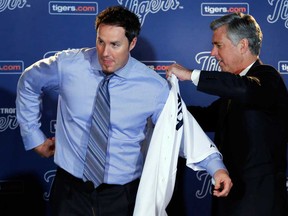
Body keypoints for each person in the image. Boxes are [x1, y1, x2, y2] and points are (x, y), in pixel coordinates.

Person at [16, 5, 232, 216]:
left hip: (121, 198)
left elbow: (180, 129)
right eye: (100, 42)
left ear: (132, 43)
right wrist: (35, 137)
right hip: (69, 192)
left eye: (115, 44)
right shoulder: (68, 65)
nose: (105, 52)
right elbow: (29, 81)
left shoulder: (153, 87)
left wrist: (215, 167)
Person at [166, 12, 288, 216]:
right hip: (230, 200)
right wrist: (165, 110)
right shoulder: (235, 89)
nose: (212, 53)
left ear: (242, 45)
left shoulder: (268, 79)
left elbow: (245, 89)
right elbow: (205, 117)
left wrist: (191, 74)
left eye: (218, 45)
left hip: (259, 206)